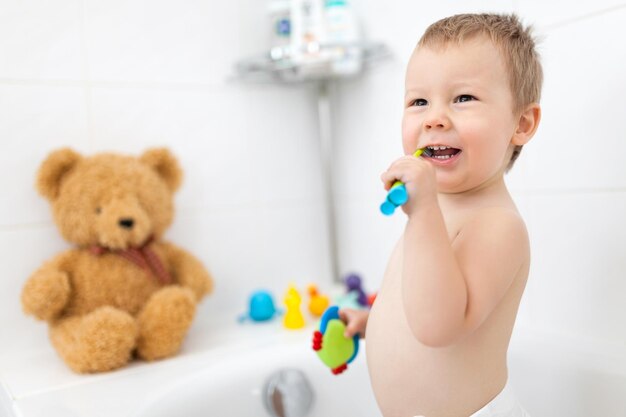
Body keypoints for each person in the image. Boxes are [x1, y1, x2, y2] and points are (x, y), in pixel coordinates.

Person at [339, 13, 542, 417]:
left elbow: (439, 326)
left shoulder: (498, 225)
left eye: (463, 98)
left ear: (521, 123)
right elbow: (421, 296)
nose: (434, 117)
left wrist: (424, 212)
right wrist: (376, 321)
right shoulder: (435, 212)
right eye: (419, 101)